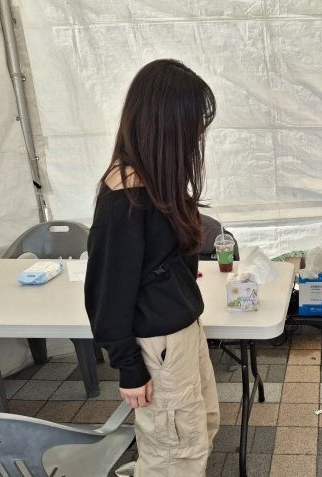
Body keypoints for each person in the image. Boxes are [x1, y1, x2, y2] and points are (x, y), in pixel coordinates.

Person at [84, 59, 219, 476]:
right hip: (159, 342)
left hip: (181, 330)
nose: (197, 135)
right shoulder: (124, 197)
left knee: (198, 429)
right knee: (174, 453)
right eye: (192, 124)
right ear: (166, 124)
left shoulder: (156, 180)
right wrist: (129, 367)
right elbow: (107, 293)